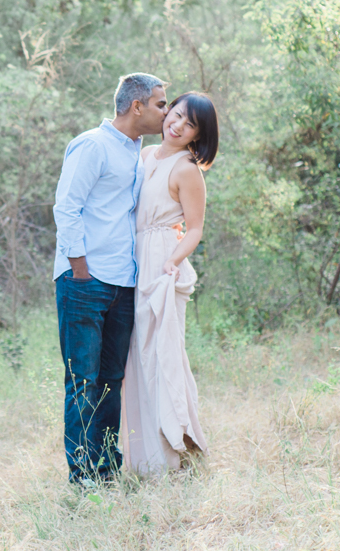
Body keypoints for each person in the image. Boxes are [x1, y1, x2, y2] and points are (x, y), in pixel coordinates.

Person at [52, 73, 168, 485]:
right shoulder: (92, 145)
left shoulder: (140, 154)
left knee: (110, 383)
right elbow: (66, 207)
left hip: (124, 283)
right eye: (160, 103)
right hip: (85, 281)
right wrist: (80, 269)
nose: (166, 111)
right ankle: (82, 477)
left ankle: (105, 470)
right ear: (137, 106)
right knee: (82, 382)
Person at [123, 91, 218, 473]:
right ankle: (144, 459)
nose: (177, 125)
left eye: (189, 124)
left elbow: (194, 229)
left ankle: (177, 450)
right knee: (136, 355)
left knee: (162, 354)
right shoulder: (144, 156)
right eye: (175, 115)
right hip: (134, 256)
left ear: (198, 135)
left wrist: (171, 261)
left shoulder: (187, 169)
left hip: (163, 259)